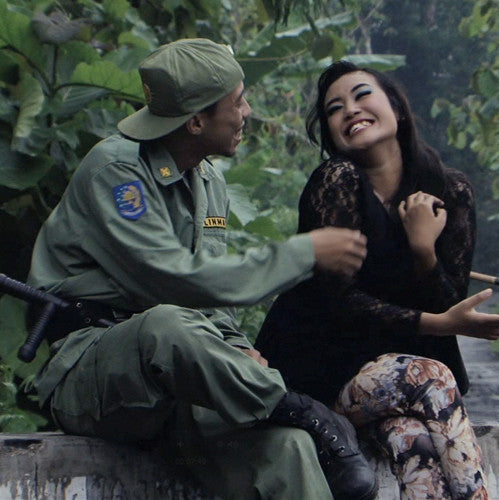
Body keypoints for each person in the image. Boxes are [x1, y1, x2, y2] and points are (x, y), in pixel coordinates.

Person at [27, 40, 379, 500]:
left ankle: (295, 417)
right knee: (166, 324)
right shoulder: (116, 173)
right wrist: (302, 254)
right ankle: (301, 409)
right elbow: (175, 280)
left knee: (287, 448)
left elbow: (212, 303)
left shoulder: (209, 181)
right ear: (196, 122)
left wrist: (236, 347)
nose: (247, 112)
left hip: (180, 391)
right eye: (238, 102)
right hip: (97, 376)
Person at [255, 61, 499, 499]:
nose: (350, 110)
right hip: (322, 370)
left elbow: (448, 299)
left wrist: (423, 250)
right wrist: (440, 324)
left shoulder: (449, 191)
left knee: (411, 440)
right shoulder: (336, 182)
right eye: (334, 108)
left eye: (362, 95)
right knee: (429, 376)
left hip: (394, 385)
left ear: (395, 107)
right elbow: (337, 302)